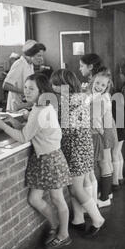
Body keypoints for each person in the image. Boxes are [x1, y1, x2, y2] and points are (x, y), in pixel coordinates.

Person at [0, 74, 72, 249]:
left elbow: (24, 137)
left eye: (31, 88)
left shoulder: (40, 110)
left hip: (50, 159)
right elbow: (33, 130)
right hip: (44, 158)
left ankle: (64, 235)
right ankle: (55, 224)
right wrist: (14, 122)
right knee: (35, 199)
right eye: (25, 87)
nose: (26, 91)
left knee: (57, 199)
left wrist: (3, 126)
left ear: (42, 91)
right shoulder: (41, 107)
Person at [50, 69, 106, 237]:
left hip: (75, 148)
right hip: (81, 146)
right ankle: (78, 220)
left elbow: (65, 130)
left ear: (62, 85)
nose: (52, 87)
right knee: (75, 186)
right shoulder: (78, 96)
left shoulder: (68, 101)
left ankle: (97, 219)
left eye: (54, 84)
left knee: (75, 189)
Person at [90, 68, 119, 206]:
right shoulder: (103, 96)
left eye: (102, 85)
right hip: (107, 129)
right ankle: (108, 193)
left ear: (107, 86)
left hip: (103, 132)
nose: (99, 86)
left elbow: (96, 120)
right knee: (105, 161)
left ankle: (105, 198)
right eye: (97, 83)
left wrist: (100, 133)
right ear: (92, 81)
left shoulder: (99, 99)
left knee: (103, 162)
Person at [3, 40, 46, 112]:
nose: (41, 58)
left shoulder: (30, 64)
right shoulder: (19, 64)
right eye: (39, 55)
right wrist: (25, 92)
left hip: (25, 104)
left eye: (42, 56)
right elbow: (6, 85)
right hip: (16, 105)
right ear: (30, 54)